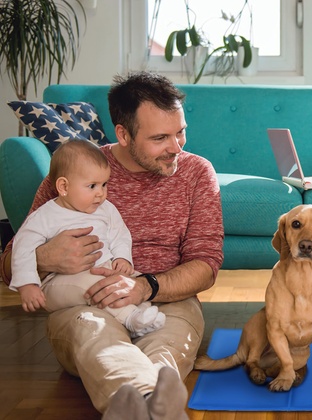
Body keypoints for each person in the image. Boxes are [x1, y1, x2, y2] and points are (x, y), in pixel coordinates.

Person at [0, 72, 224, 419]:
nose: (176, 147)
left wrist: (144, 287)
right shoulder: (77, 172)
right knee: (96, 337)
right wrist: (44, 258)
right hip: (83, 304)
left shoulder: (196, 173)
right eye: (160, 137)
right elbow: (7, 264)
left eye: (181, 131)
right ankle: (154, 404)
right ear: (123, 134)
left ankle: (139, 407)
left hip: (164, 300)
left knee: (166, 347)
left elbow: (206, 265)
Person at [9, 139, 166, 338]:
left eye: (104, 184)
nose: (100, 193)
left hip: (102, 270)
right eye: (92, 186)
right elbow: (22, 247)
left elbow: (120, 235)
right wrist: (28, 285)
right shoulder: (45, 216)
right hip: (58, 284)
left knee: (135, 280)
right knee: (95, 285)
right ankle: (129, 317)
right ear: (64, 186)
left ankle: (141, 315)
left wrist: (122, 259)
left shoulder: (106, 209)